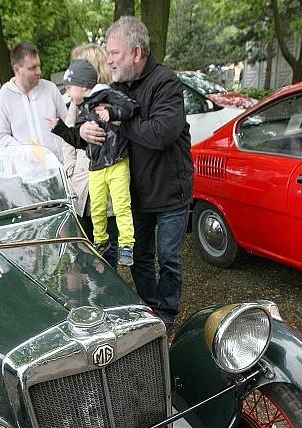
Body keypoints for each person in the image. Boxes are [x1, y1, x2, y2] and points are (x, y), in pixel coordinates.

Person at [80, 16, 194, 331]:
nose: (110, 59)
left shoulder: (166, 82)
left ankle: (167, 312)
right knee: (140, 257)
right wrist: (87, 129)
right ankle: (151, 307)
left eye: (115, 53)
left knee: (168, 258)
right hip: (135, 193)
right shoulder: (114, 89)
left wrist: (122, 123)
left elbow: (162, 133)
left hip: (170, 192)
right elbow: (97, 122)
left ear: (136, 53)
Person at [49, 59, 138, 267]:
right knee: (88, 246)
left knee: (119, 211)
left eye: (70, 87)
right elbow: (74, 138)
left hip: (114, 166)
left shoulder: (109, 96)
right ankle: (101, 244)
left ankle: (125, 248)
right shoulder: (80, 106)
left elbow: (131, 111)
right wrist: (62, 130)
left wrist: (114, 114)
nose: (69, 92)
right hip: (88, 178)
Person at [62, 43, 119, 269]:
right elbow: (67, 143)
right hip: (79, 194)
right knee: (82, 258)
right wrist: (70, 173)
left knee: (106, 259)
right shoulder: (74, 104)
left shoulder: (110, 103)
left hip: (104, 196)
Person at [0, 42, 67, 161]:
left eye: (38, 66)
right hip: (26, 174)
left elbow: (68, 122)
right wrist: (25, 153)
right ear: (17, 69)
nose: (39, 72)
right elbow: (1, 135)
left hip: (58, 169)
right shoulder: (4, 97)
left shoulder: (50, 89)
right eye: (32, 68)